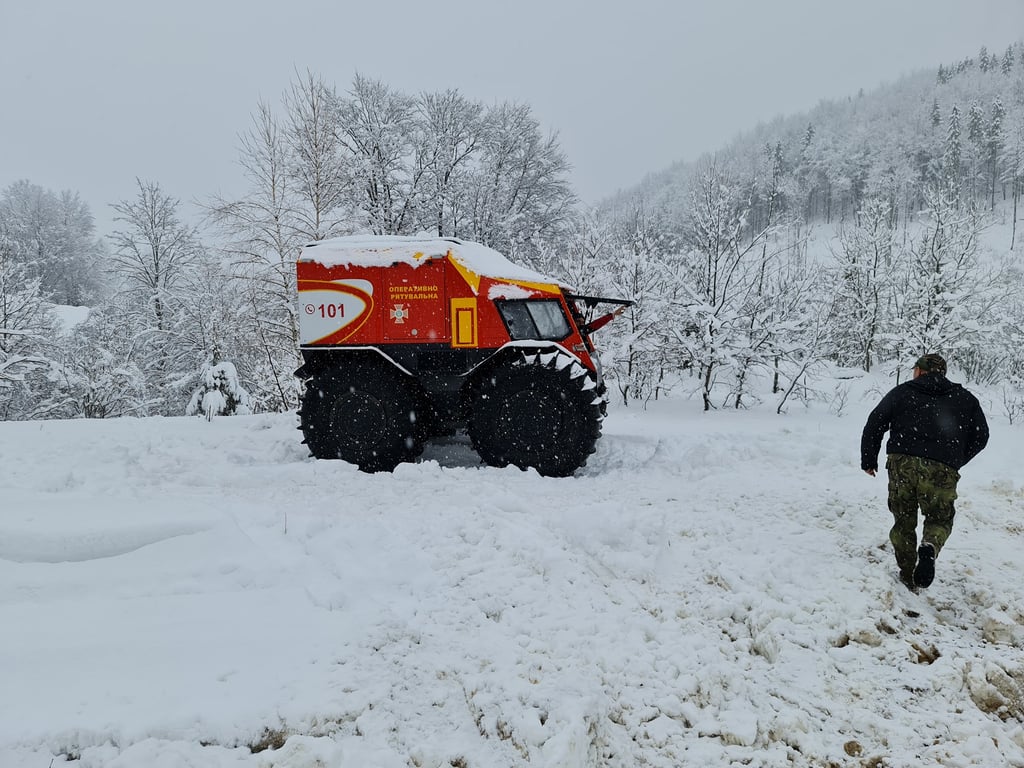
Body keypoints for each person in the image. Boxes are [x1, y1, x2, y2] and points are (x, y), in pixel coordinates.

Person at [861, 353, 989, 591]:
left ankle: (908, 573)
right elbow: (981, 436)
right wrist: (955, 460)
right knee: (939, 517)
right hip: (942, 468)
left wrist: (869, 459)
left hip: (902, 463)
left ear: (919, 371)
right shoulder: (965, 398)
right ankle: (929, 546)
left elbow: (875, 422)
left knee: (903, 520)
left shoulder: (902, 392)